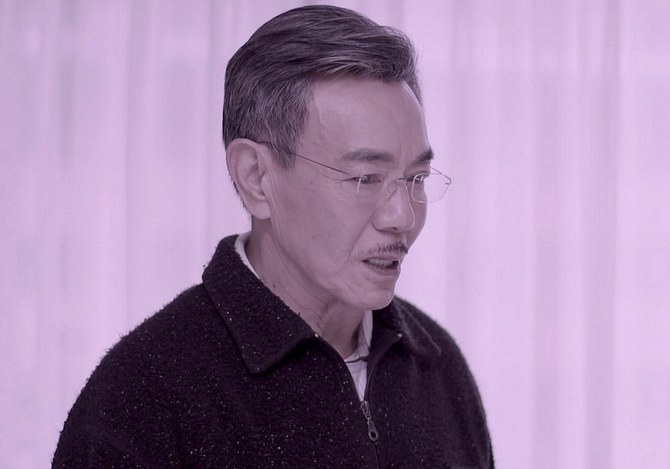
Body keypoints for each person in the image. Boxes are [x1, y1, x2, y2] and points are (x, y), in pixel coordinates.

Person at [53, 5, 493, 468]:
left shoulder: (437, 367)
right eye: (366, 178)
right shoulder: (142, 398)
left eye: (416, 178)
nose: (402, 216)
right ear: (256, 178)